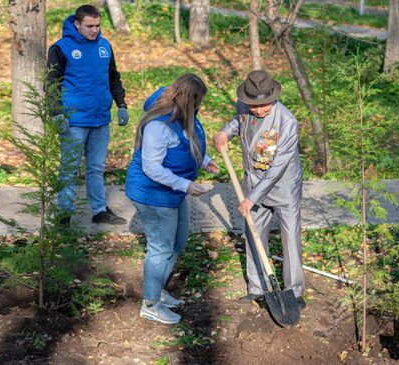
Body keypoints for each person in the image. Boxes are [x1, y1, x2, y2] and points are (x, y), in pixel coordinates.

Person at [126, 74, 219, 324]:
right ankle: (150, 304)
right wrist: (186, 185)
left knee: (177, 241)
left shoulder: (184, 114)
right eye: (198, 102)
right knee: (160, 248)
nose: (200, 107)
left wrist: (205, 160)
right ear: (189, 100)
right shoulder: (160, 125)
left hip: (174, 190)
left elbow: (189, 140)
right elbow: (152, 169)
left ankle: (158, 291)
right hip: (153, 193)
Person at [213, 70, 306, 309]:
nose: (259, 110)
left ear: (274, 97)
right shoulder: (245, 107)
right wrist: (225, 132)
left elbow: (277, 167)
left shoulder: (287, 122)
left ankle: (294, 292)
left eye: (264, 105)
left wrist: (251, 198)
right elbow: (237, 123)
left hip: (283, 187)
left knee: (290, 238)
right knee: (253, 233)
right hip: (253, 183)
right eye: (254, 105)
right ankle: (257, 287)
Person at [47, 4, 129, 225]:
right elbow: (51, 83)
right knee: (69, 169)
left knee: (95, 168)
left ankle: (100, 210)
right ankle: (64, 214)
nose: (94, 30)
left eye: (98, 25)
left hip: (100, 119)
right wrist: (56, 113)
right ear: (77, 24)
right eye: (89, 26)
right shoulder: (60, 48)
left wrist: (121, 104)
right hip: (73, 122)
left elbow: (113, 77)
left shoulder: (105, 46)